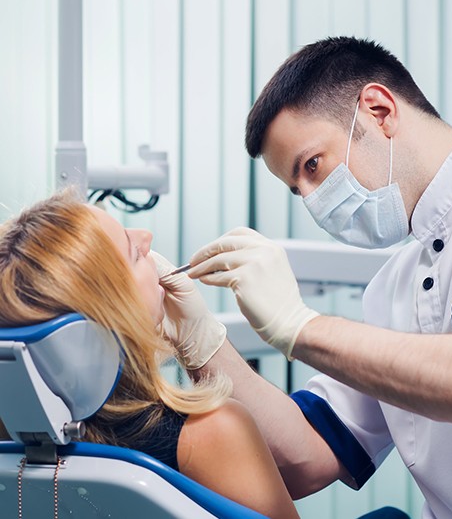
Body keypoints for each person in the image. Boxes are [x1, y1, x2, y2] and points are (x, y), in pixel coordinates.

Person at [161, 37, 452, 519]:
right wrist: (200, 338)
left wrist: (300, 327)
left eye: (313, 166)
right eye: (298, 189)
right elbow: (307, 458)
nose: (314, 201)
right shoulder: (392, 290)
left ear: (379, 111)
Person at [0, 190, 299, 519]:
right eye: (134, 253)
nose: (147, 237)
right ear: (117, 313)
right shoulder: (211, 433)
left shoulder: (12, 454)